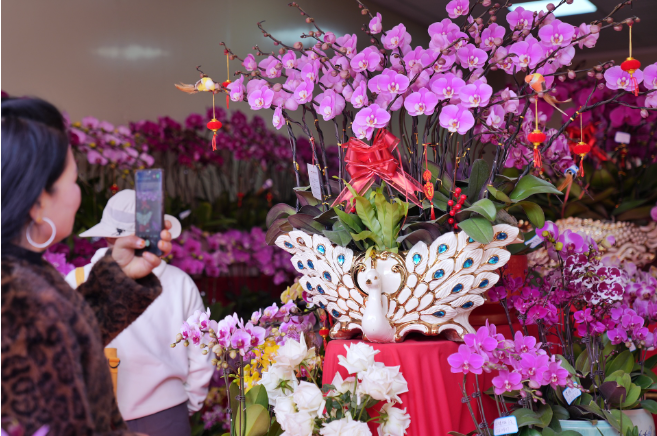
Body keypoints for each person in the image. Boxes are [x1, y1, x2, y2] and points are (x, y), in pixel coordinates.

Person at [1, 97, 172, 436]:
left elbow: (64, 345)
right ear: (38, 202)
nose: (79, 194)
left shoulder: (23, 273)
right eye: (75, 181)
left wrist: (118, 279)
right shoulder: (19, 299)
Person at [65, 190, 214, 436]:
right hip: (167, 416)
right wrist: (185, 404)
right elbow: (202, 354)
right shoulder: (180, 283)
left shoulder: (77, 280)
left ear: (106, 236)